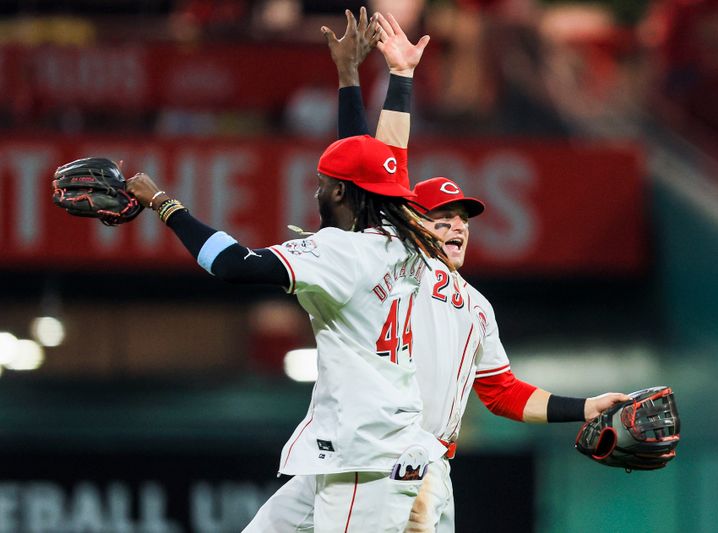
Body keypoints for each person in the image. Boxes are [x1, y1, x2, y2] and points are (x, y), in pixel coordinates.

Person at [332, 10, 630, 532]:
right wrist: (386, 80)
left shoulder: (475, 308)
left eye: (462, 218)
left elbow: (503, 392)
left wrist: (586, 407)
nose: (457, 226)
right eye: (441, 217)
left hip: (433, 470)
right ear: (408, 227)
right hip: (380, 464)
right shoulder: (396, 267)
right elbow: (374, 167)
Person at [125, 97, 450, 532]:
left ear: (337, 192)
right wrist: (356, 80)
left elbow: (232, 264)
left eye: (321, 183)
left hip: (365, 456)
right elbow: (378, 163)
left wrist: (164, 204)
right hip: (369, 446)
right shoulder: (402, 239)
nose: (316, 190)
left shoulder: (340, 251)